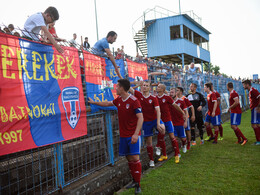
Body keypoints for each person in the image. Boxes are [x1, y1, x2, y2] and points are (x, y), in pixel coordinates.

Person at [88, 79, 143, 194]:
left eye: (117, 86)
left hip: (133, 135)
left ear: (122, 88)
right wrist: (94, 103)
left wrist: (135, 134)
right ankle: (134, 180)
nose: (115, 88)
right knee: (128, 158)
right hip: (124, 135)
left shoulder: (134, 100)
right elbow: (108, 103)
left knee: (135, 159)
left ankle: (138, 184)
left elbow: (140, 118)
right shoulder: (118, 100)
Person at [129, 81, 165, 167]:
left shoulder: (153, 98)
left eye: (146, 86)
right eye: (143, 85)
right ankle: (151, 160)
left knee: (163, 129)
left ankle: (158, 146)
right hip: (146, 122)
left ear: (149, 88)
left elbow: (158, 111)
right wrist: (137, 84)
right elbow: (127, 87)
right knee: (149, 143)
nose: (144, 87)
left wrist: (158, 123)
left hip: (154, 119)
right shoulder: (138, 94)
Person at [156, 84, 184, 164]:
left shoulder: (167, 98)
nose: (157, 88)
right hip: (160, 121)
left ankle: (176, 154)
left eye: (159, 87)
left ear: (162, 89)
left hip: (168, 121)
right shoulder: (156, 98)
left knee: (172, 137)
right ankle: (164, 155)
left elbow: (175, 105)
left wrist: (182, 113)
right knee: (161, 138)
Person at [170, 88, 189, 153]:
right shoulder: (169, 102)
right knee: (175, 139)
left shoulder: (181, 101)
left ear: (176, 93)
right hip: (172, 123)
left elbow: (186, 112)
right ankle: (177, 153)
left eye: (172, 92)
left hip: (180, 123)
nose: (171, 94)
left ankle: (184, 145)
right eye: (170, 92)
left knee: (183, 138)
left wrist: (186, 121)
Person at [242, 79, 260, 145]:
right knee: (257, 124)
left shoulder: (253, 90)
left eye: (244, 85)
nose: (243, 86)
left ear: (247, 85)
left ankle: (258, 141)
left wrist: (258, 107)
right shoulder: (250, 91)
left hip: (255, 109)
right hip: (254, 108)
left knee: (254, 125)